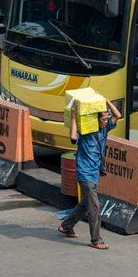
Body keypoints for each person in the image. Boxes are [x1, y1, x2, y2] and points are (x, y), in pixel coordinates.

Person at [58, 98, 122, 250]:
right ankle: (96, 240)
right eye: (104, 119)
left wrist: (106, 101)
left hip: (95, 172)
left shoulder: (104, 129)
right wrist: (73, 116)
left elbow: (118, 115)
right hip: (84, 173)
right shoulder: (86, 130)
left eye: (107, 119)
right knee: (95, 205)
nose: (106, 121)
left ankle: (66, 226)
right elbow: (73, 137)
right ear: (96, 119)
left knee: (86, 204)